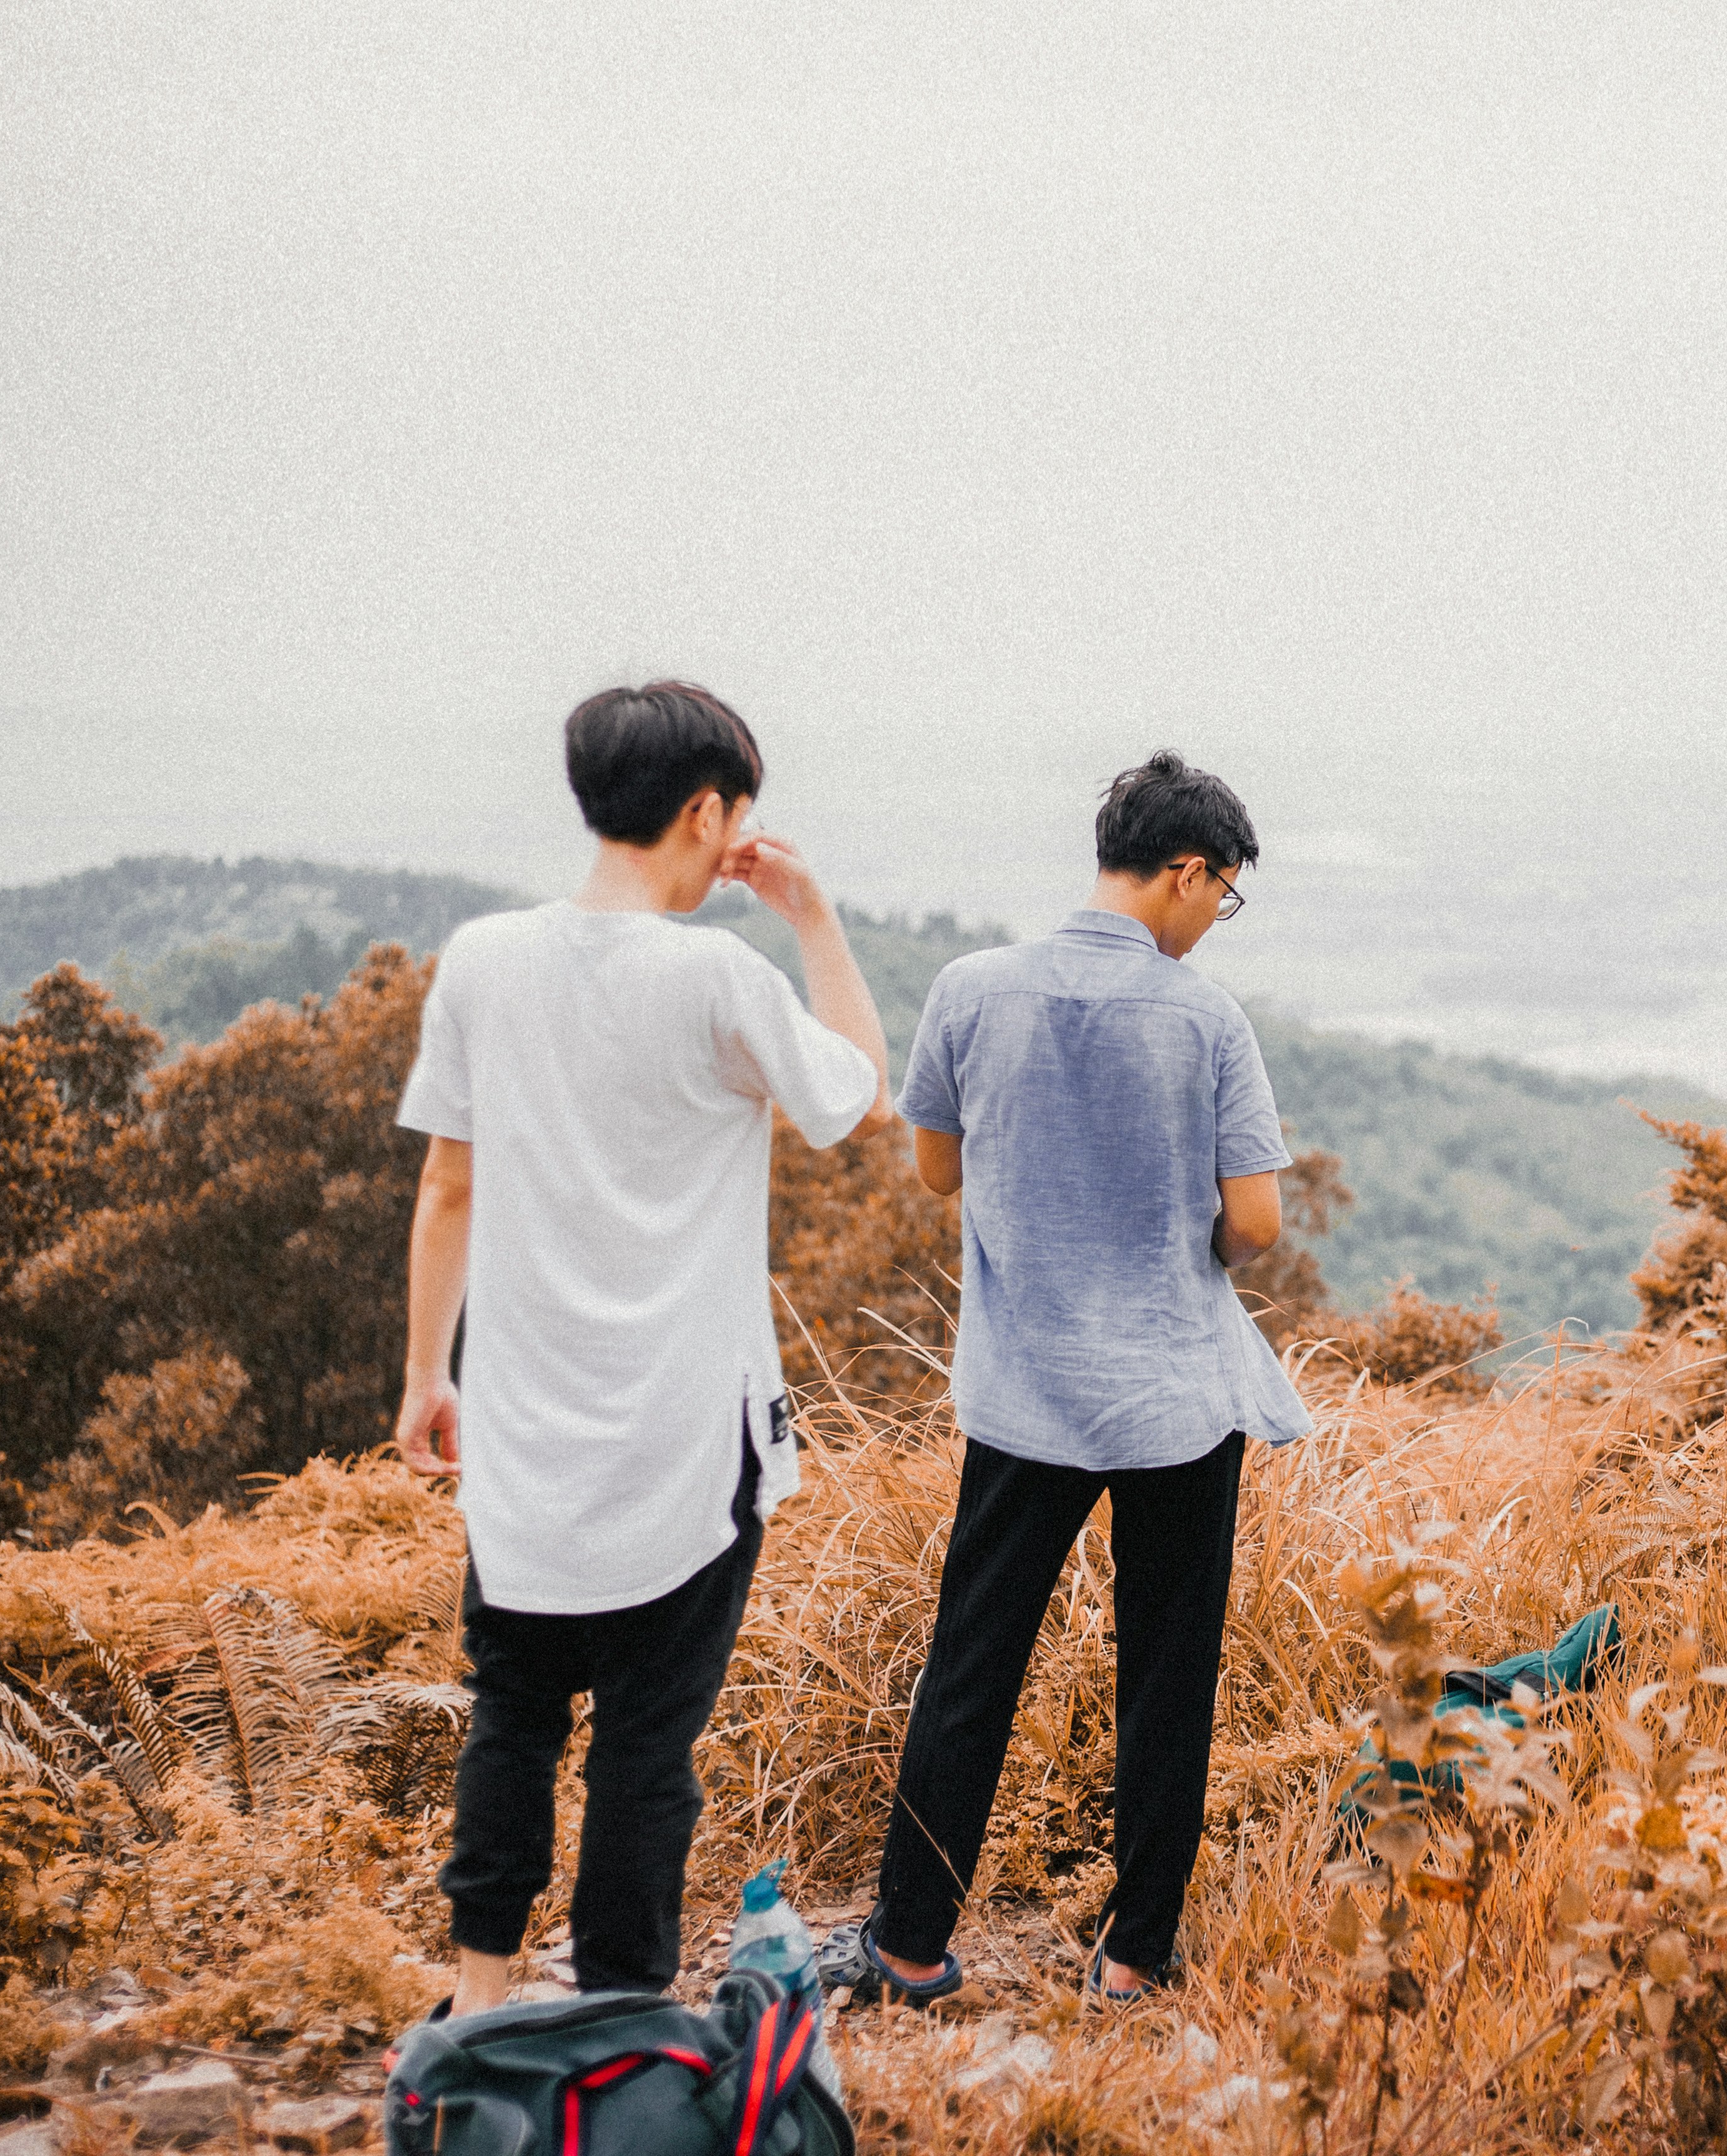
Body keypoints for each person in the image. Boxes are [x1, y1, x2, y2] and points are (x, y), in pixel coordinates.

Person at [393, 681, 895, 2016]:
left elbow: (449, 1184)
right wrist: (811, 913)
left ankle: (482, 1999)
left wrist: (425, 1375)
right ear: (706, 812)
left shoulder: (481, 959)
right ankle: (620, 2015)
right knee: (644, 1747)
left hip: (522, 1428)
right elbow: (855, 1091)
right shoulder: (721, 978)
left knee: (512, 1717)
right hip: (688, 1438)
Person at [826, 751, 1309, 2008]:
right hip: (1174, 1400)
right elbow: (1255, 1222)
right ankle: (1134, 1959)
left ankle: (911, 1944)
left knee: (971, 1666)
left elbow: (938, 1170)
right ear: (1189, 871)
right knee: (1164, 1680)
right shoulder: (1205, 1020)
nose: (1215, 922)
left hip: (1024, 1391)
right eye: (1225, 896)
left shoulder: (972, 989)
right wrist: (1179, 1237)